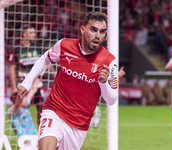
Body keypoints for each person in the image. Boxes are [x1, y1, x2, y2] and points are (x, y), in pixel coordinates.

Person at [17, 11, 118, 150]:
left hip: (78, 125)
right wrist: (26, 83)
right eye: (93, 30)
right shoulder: (64, 45)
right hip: (54, 110)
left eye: (102, 32)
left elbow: (112, 100)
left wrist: (103, 82)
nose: (98, 35)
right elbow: (45, 58)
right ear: (83, 29)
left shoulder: (110, 62)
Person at [8, 24, 44, 137]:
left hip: (35, 86)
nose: (34, 35)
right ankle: (22, 137)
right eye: (31, 33)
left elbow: (42, 67)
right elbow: (12, 69)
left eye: (34, 33)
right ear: (24, 34)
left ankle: (41, 136)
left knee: (42, 111)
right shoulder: (17, 49)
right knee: (19, 112)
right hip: (22, 86)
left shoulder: (37, 48)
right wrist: (14, 89)